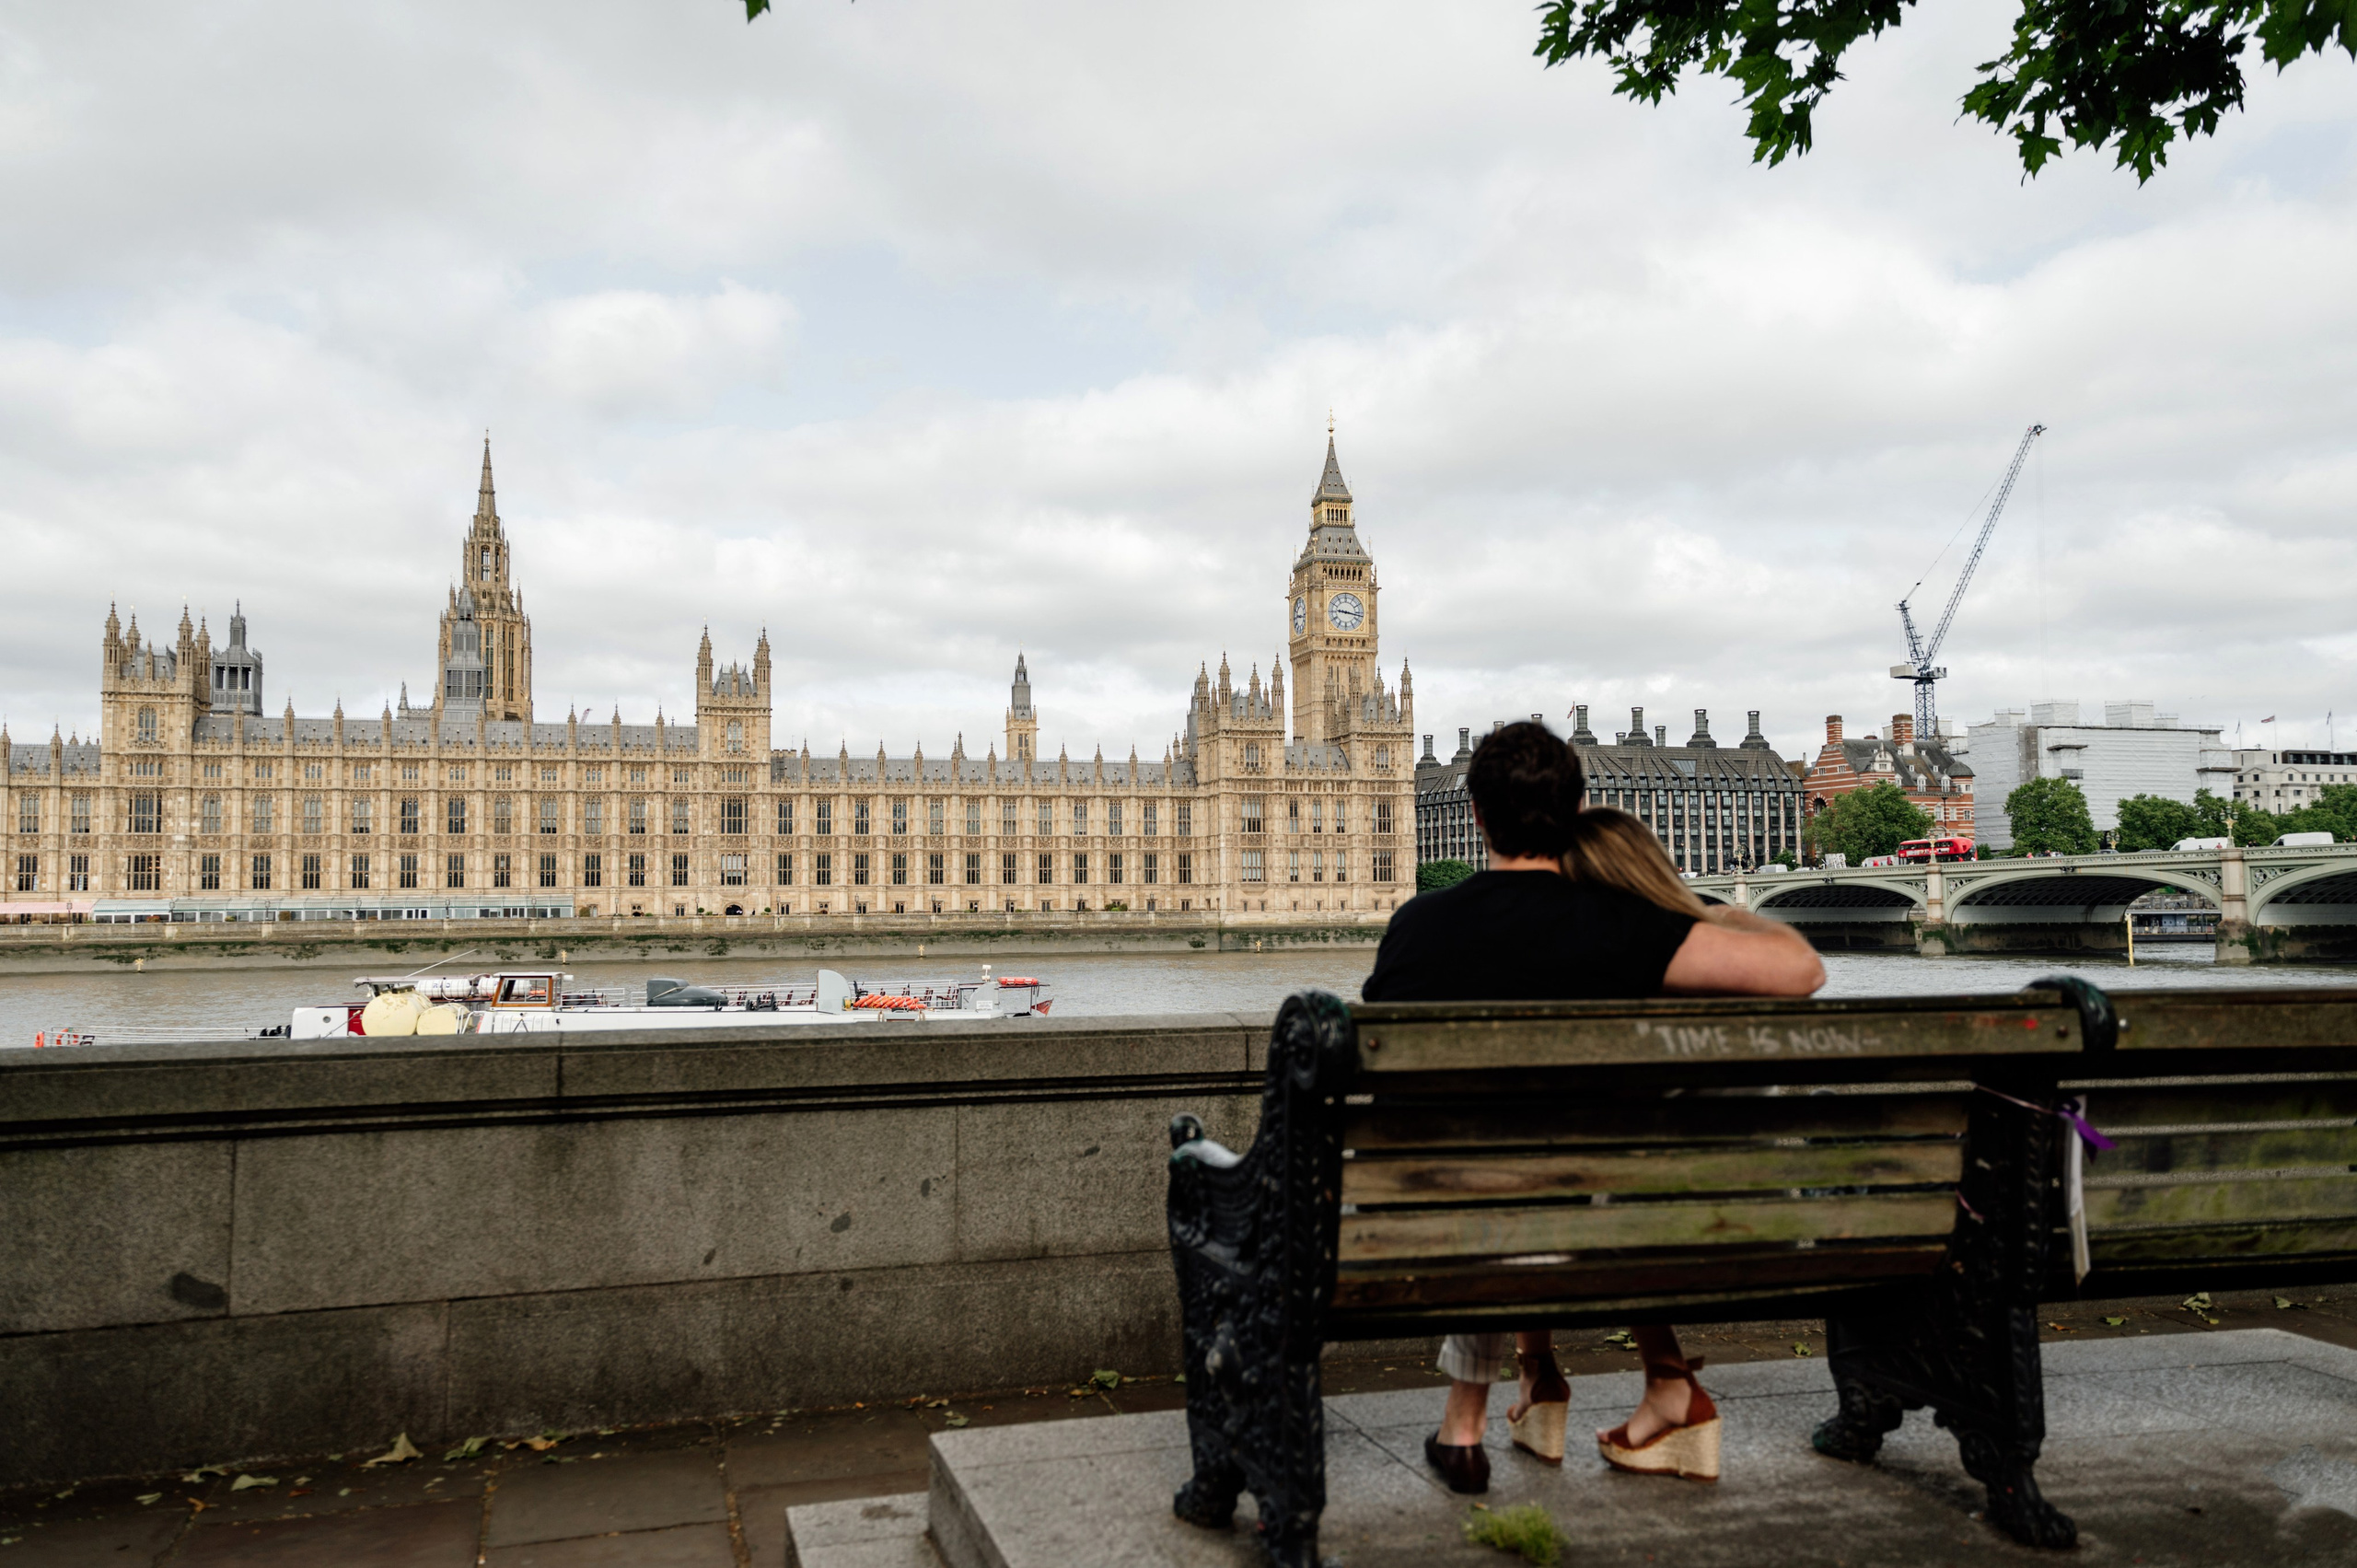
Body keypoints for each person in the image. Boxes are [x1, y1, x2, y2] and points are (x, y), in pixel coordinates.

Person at [1361, 723, 1825, 1495]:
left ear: (1475, 815)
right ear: (1577, 808)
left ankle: (1482, 1413)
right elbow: (1801, 969)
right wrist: (1690, 906)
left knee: (1491, 1166)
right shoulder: (1620, 925)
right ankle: (1645, 1383)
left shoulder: (1417, 926)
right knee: (1591, 1153)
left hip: (1433, 1220)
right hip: (1603, 1216)